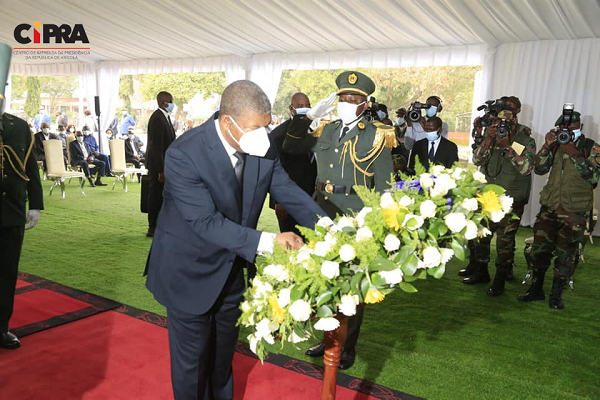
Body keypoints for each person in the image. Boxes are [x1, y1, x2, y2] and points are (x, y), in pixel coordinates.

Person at [144, 80, 324, 400]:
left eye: (267, 126)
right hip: (187, 271)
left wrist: (329, 227)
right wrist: (269, 242)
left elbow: (288, 191)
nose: (264, 135)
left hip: (231, 272)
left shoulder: (262, 146)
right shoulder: (185, 153)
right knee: (193, 366)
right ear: (227, 122)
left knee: (222, 360)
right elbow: (205, 221)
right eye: (255, 127)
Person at [283, 71, 395, 370]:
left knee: (351, 285)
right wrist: (305, 118)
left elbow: (384, 186)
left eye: (354, 98)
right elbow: (291, 147)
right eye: (343, 97)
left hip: (354, 216)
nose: (347, 101)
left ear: (365, 103)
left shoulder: (377, 134)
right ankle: (327, 336)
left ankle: (347, 345)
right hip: (320, 212)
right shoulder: (326, 129)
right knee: (322, 277)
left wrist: (375, 226)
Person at [519, 111, 599, 309]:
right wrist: (547, 145)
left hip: (574, 210)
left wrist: (574, 154)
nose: (568, 133)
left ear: (580, 128)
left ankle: (556, 294)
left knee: (566, 254)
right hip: (550, 206)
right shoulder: (555, 146)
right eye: (564, 129)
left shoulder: (591, 148)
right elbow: (538, 168)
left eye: (572, 129)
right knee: (539, 250)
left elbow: (593, 179)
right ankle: (536, 288)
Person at [463, 99, 536, 296]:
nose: (504, 119)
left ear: (517, 114)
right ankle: (481, 272)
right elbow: (477, 159)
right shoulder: (492, 132)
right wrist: (488, 139)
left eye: (510, 112)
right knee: (482, 237)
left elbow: (527, 168)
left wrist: (508, 146)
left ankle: (500, 280)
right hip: (488, 197)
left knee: (504, 241)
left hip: (511, 198)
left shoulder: (524, 138)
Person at [1, 44, 44, 349]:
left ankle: (0, 327)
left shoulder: (18, 127)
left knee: (6, 274)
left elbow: (29, 167)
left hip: (11, 212)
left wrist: (36, 204)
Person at [269, 92, 317, 236]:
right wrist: (279, 201)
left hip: (311, 195)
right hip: (288, 200)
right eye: (300, 106)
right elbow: (274, 169)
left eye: (308, 106)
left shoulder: (314, 129)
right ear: (291, 109)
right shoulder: (279, 134)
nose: (306, 109)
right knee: (292, 242)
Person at [145, 92, 176, 237]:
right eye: (170, 102)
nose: (172, 104)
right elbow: (156, 146)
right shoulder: (157, 118)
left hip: (165, 163)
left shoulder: (165, 117)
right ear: (163, 103)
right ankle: (153, 226)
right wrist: (161, 170)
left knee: (163, 196)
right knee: (156, 195)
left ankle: (163, 224)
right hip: (158, 166)